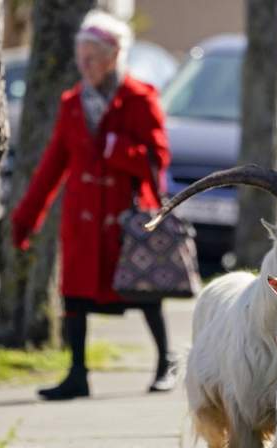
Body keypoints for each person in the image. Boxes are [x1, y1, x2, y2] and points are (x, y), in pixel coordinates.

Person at [11, 10, 176, 399]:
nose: (84, 64)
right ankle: (77, 374)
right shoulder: (72, 103)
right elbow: (52, 165)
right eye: (81, 56)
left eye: (92, 56)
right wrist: (25, 218)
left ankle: (165, 361)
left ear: (114, 55)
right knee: (76, 297)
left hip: (125, 218)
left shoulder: (139, 98)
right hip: (83, 218)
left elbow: (158, 159)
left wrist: (121, 151)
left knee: (144, 292)